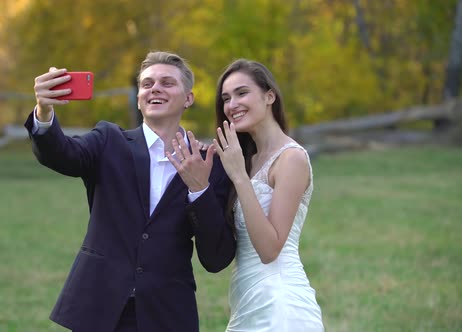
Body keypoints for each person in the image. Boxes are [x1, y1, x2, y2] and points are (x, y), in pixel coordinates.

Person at [24, 51, 236, 332]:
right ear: (139, 98)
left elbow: (216, 257)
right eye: (147, 84)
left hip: (168, 313)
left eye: (167, 83)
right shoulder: (109, 140)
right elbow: (62, 154)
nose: (155, 88)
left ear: (188, 98)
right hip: (100, 308)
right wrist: (44, 112)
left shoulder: (211, 163)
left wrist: (200, 190)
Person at [211, 59, 324, 331]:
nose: (231, 105)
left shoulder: (291, 159)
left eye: (241, 93)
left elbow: (270, 249)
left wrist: (238, 175)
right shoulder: (246, 158)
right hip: (248, 301)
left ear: (269, 95)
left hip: (280, 303)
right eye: (226, 98)